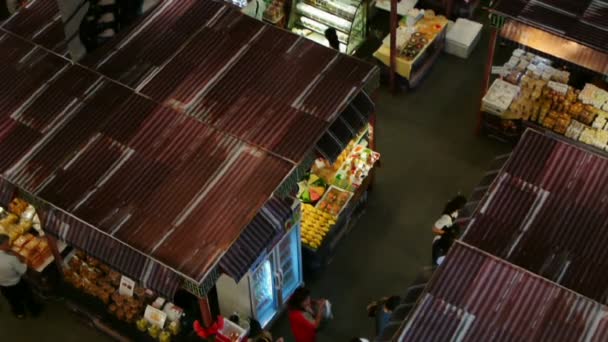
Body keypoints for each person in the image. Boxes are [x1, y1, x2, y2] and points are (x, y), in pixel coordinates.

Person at [0, 233, 40, 319]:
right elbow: (23, 270)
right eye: (7, 243)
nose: (9, 245)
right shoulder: (10, 259)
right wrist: (26, 261)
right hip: (16, 284)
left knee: (13, 301)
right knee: (27, 296)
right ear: (2, 245)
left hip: (3, 286)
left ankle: (19, 313)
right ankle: (34, 311)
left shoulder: (7, 257)